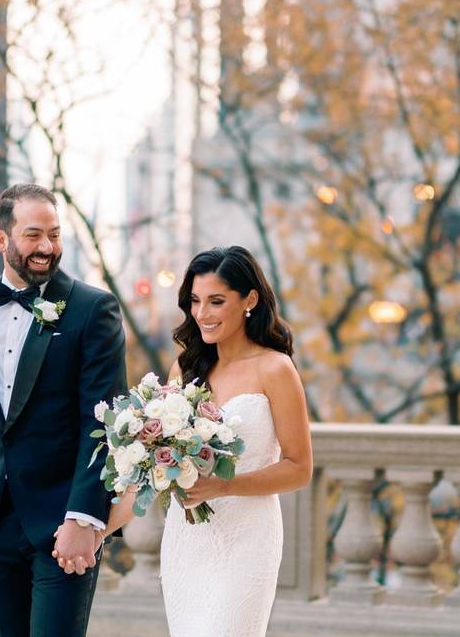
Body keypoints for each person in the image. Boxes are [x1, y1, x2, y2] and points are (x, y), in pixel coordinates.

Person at [0, 183, 126, 637]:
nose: (47, 247)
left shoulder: (93, 309)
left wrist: (84, 518)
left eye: (55, 235)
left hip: (64, 530)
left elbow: (104, 424)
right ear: (1, 239)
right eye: (33, 235)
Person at [101, 245, 313, 636]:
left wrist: (224, 486)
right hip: (188, 539)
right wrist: (95, 530)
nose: (202, 313)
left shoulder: (276, 369)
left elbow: (299, 469)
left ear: (250, 299)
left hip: (248, 540)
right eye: (195, 301)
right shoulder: (184, 368)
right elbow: (153, 468)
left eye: (216, 301)